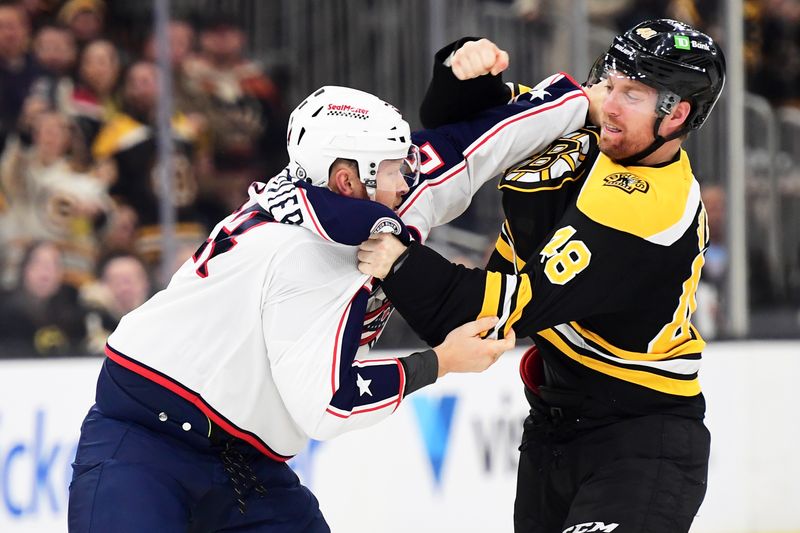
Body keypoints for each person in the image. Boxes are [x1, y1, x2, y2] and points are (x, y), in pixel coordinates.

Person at [68, 63, 595, 531]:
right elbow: (330, 405)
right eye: (393, 168)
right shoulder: (303, 256)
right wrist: (440, 362)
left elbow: (483, 141)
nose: (409, 177)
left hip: (245, 466)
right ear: (347, 180)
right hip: (142, 450)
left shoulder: (372, 196)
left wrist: (588, 102)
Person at [358, 19, 725, 533]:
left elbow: (491, 314)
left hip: (641, 442)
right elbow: (464, 124)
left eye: (634, 94)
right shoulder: (590, 121)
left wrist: (399, 263)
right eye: (610, 81)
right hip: (552, 433)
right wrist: (463, 69)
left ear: (678, 114)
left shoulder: (649, 209)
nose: (609, 103)